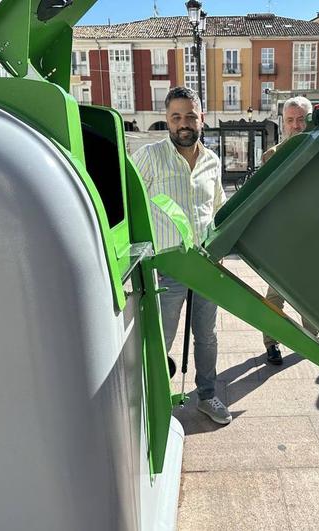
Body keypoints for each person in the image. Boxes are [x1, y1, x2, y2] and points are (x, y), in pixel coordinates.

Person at [131, 86, 232, 425]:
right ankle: (153, 399)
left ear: (201, 117)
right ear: (167, 120)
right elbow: (129, 203)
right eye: (176, 117)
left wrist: (220, 252)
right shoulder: (149, 157)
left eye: (190, 116)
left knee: (207, 335)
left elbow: (217, 209)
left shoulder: (212, 162)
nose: (184, 123)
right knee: (162, 337)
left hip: (204, 265)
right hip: (168, 267)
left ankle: (207, 396)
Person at [260, 96, 319, 365]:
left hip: (314, 237)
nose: (296, 125)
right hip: (283, 242)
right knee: (275, 297)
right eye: (290, 120)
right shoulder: (271, 156)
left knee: (313, 295)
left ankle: (312, 340)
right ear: (282, 122)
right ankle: (271, 342)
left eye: (301, 119)